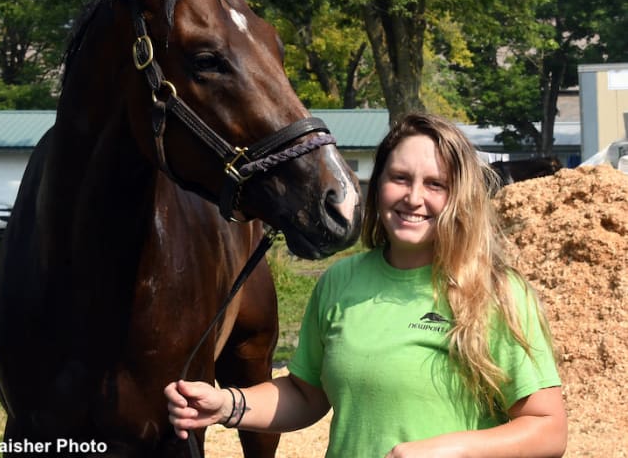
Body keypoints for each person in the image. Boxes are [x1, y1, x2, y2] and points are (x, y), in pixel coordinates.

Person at [165, 112, 567, 458]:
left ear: (459, 197)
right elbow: (306, 395)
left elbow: (548, 428)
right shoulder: (340, 282)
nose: (413, 197)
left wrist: (452, 448)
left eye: (435, 184)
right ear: (377, 187)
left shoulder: (496, 292)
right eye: (400, 178)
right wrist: (227, 404)